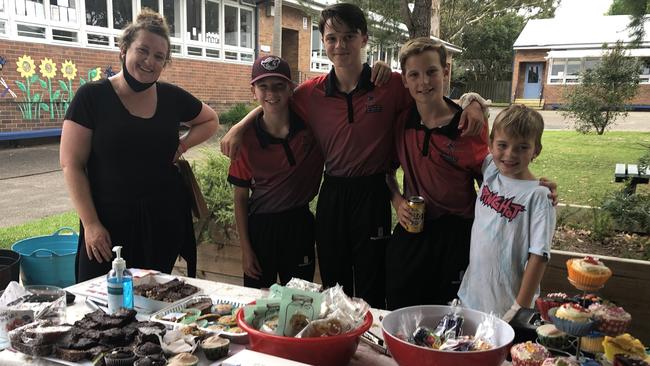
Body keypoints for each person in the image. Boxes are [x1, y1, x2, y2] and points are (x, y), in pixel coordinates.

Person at [221, 3, 487, 309]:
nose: (340, 45)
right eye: (332, 38)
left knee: (372, 281)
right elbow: (274, 100)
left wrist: (473, 101)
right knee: (334, 284)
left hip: (373, 192)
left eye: (349, 37)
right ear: (323, 42)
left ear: (364, 39)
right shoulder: (311, 93)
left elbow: (430, 93)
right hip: (333, 192)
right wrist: (240, 127)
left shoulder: (390, 85)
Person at [60, 9, 219, 282]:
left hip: (162, 222)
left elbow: (210, 120)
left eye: (159, 56)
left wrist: (181, 146)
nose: (150, 61)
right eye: (142, 50)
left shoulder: (171, 97)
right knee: (100, 306)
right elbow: (71, 164)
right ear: (123, 50)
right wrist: (91, 224)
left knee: (156, 305)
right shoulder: (92, 97)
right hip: (107, 226)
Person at [385, 38, 489, 310]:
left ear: (446, 71)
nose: (424, 82)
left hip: (456, 237)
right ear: (405, 80)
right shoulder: (401, 122)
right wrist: (397, 201)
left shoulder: (469, 126)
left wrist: (531, 188)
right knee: (401, 310)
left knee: (450, 319)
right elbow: (386, 170)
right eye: (414, 75)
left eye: (431, 71)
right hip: (412, 231)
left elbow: (493, 182)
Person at [228, 55, 324, 289]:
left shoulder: (311, 127)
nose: (271, 93)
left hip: (299, 224)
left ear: (291, 89)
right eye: (263, 86)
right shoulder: (245, 140)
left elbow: (340, 76)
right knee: (258, 302)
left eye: (279, 86)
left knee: (300, 299)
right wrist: (246, 250)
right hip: (261, 229)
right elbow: (240, 197)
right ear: (254, 91)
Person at [457, 104, 556, 321]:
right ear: (491, 145)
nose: (510, 154)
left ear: (536, 150)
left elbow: (539, 257)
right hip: (471, 299)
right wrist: (473, 102)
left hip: (507, 309)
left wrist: (519, 308)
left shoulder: (540, 197)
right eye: (502, 145)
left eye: (522, 147)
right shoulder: (491, 170)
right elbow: (466, 112)